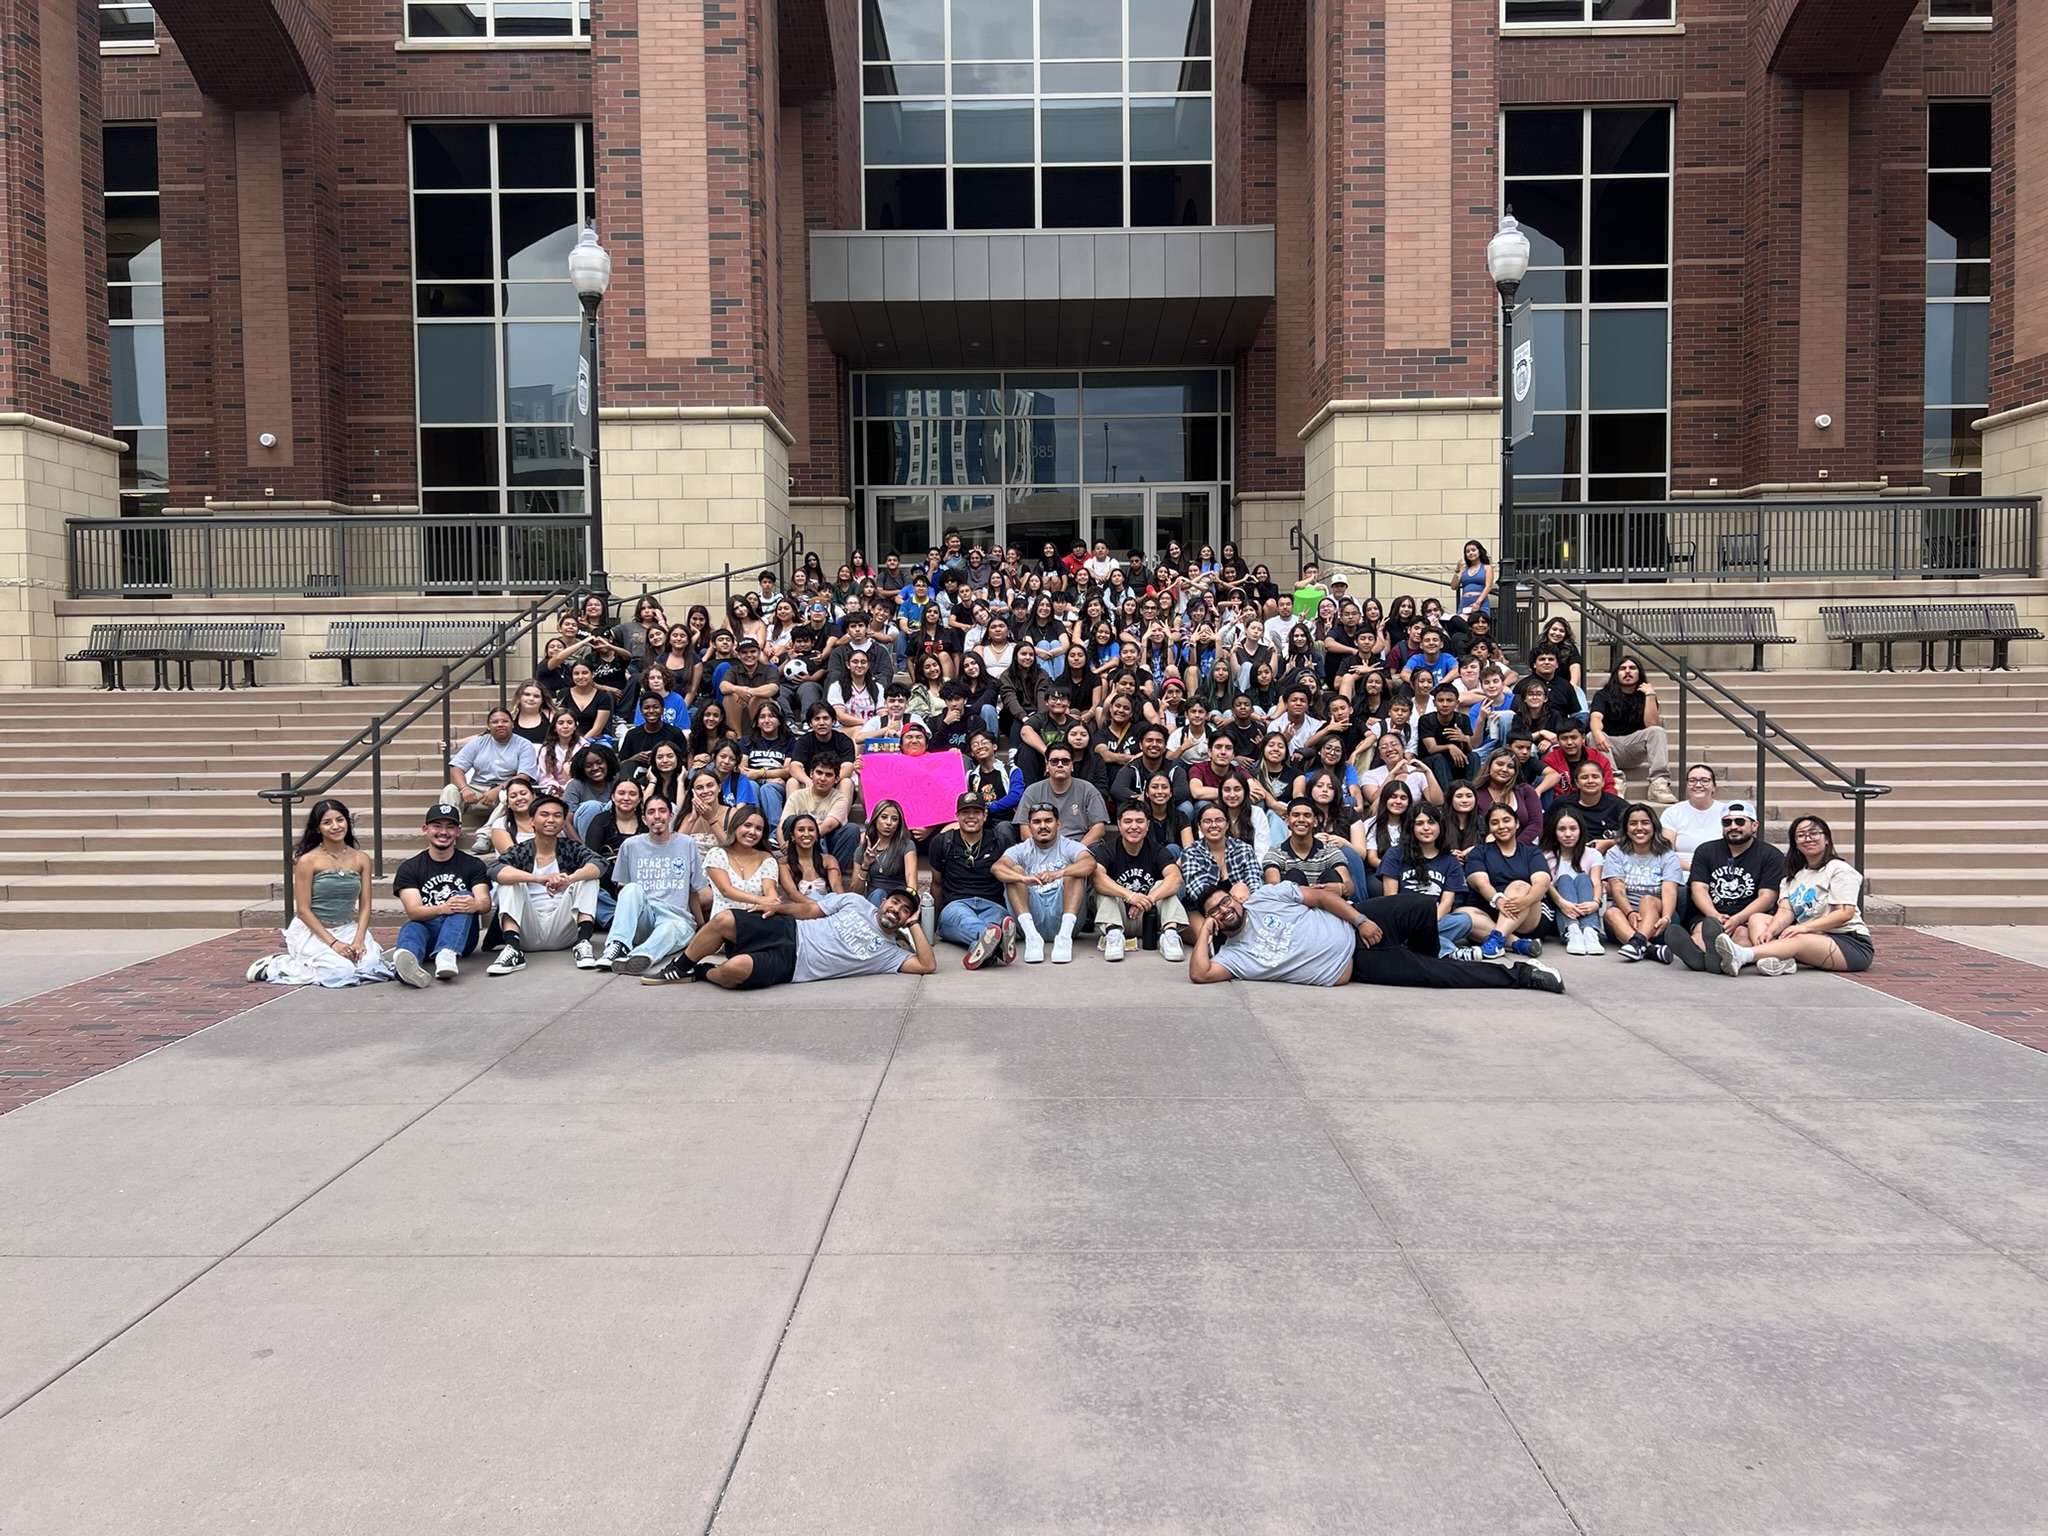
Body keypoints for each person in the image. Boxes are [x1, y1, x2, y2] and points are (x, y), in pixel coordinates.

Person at [1188, 884, 1564, 992]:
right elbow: (1200, 974)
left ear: (1233, 898)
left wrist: (1362, 918)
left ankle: (1433, 956)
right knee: (1436, 978)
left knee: (1420, 906)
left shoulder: (1265, 896)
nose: (1223, 911)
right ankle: (1522, 975)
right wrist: (1205, 931)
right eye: (1215, 913)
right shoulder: (1235, 957)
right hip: (1357, 963)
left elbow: (1320, 896)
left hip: (1358, 924)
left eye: (1224, 903)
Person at [651, 888, 937, 988]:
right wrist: (778, 907)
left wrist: (913, 926)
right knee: (725, 919)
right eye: (895, 903)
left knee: (733, 970)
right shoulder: (856, 902)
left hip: (793, 965)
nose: (896, 910)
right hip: (790, 929)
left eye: (904, 911)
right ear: (884, 900)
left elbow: (926, 965)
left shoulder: (889, 953)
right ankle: (680, 966)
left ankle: (702, 973)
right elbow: (811, 908)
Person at [249, 799, 396, 986]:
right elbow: (303, 911)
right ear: (318, 828)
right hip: (314, 931)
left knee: (369, 965)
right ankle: (278, 965)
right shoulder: (308, 861)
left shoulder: (361, 859)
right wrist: (333, 943)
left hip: (347, 928)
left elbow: (366, 906)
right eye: (327, 822)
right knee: (343, 971)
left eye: (340, 820)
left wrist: (358, 940)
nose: (335, 826)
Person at [1714, 815, 1876, 977]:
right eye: (1801, 835)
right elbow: (1785, 912)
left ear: (1826, 839)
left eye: (1813, 833)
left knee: (1797, 938)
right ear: (1795, 844)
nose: (1808, 838)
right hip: (1811, 937)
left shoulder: (1839, 869)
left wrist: (1802, 927)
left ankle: (1743, 955)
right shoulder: (1791, 876)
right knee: (1757, 918)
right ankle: (1779, 960)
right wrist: (1769, 932)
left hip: (1848, 943)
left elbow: (1844, 913)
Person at [485, 793, 605, 975]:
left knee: (588, 876)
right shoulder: (521, 850)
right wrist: (539, 878)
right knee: (509, 881)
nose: (551, 820)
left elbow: (600, 863)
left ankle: (583, 944)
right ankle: (512, 949)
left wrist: (568, 879)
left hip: (564, 927)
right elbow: (494, 869)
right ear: (532, 820)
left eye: (557, 816)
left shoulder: (570, 848)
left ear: (564, 822)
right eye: (544, 815)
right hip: (528, 927)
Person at [1663, 798, 1785, 972]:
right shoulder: (1705, 851)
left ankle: (1709, 959)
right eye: (1727, 822)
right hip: (1710, 913)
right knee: (1701, 931)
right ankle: (1707, 958)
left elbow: (1767, 897)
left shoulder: (1771, 855)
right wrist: (1714, 915)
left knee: (1742, 934)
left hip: (1748, 916)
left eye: (1740, 821)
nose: (1733, 826)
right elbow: (1699, 888)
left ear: (1755, 825)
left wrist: (1737, 919)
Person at [600, 792, 713, 974]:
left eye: (662, 811)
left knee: (669, 928)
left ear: (670, 816)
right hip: (645, 918)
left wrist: (701, 926)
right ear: (644, 819)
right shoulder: (630, 845)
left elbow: (693, 890)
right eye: (651, 812)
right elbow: (625, 892)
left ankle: (637, 957)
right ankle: (616, 945)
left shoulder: (686, 844)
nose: (657, 816)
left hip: (676, 919)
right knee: (631, 888)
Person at [389, 801, 493, 986]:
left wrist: (475, 904)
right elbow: (414, 911)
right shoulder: (410, 868)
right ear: (425, 829)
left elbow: (484, 902)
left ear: (458, 831)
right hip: (428, 930)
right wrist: (445, 907)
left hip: (463, 937)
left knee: (463, 895)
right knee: (411, 927)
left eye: (450, 827)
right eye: (437, 826)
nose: (443, 832)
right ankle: (407, 966)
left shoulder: (473, 865)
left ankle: (447, 954)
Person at [1377, 802, 1488, 958]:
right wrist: (1415, 922)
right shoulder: (1395, 855)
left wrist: (1427, 923)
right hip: (1403, 919)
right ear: (1411, 828)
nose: (1426, 828)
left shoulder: (1450, 862)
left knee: (1464, 920)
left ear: (1440, 826)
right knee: (1410, 933)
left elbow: (1447, 903)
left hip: (1434, 919)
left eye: (1431, 822)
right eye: (1419, 823)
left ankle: (1412, 945)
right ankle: (1451, 953)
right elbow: (1390, 898)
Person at [928, 794, 1022, 970]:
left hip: (992, 904)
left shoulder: (1000, 840)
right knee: (969, 922)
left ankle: (983, 947)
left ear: (985, 815)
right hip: (956, 905)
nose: (971, 816)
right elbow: (936, 883)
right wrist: (934, 923)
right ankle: (999, 941)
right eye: (965, 812)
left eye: (976, 811)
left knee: (994, 924)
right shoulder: (941, 842)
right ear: (957, 816)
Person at [994, 805, 1096, 964]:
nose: (1042, 826)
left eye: (1048, 820)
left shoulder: (1068, 845)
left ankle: (1064, 937)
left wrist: (1057, 873)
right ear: (1029, 827)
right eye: (1036, 822)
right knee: (1015, 871)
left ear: (1058, 824)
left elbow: (1090, 864)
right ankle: (1032, 938)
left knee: (1074, 872)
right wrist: (1023, 879)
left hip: (1065, 916)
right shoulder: (1021, 849)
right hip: (1030, 917)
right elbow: (997, 868)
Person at [1090, 801, 1189, 962]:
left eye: (1140, 821)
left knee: (1163, 885)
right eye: (1128, 821)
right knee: (1104, 889)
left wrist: (1149, 898)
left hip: (1148, 918)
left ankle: (1170, 935)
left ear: (1148, 825)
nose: (1134, 826)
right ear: (1119, 825)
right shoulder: (1108, 850)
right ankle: (1113, 936)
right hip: (1117, 916)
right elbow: (1097, 878)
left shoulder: (1157, 850)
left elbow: (1175, 878)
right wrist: (1130, 896)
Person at [1463, 802, 1550, 959]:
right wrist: (1498, 900)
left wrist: (1524, 901)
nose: (1501, 826)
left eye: (1506, 820)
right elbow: (1481, 883)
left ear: (1516, 823)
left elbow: (1541, 883)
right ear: (1489, 828)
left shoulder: (1532, 852)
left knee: (1519, 886)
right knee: (1462, 914)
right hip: (1491, 914)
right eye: (1495, 823)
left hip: (1526, 915)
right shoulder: (1479, 852)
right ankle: (1518, 944)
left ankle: (1496, 939)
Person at [447, 708, 542, 848]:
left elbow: (524, 776)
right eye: (495, 722)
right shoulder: (478, 742)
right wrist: (465, 788)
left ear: (512, 724)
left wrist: (498, 789)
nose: (500, 724)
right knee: (450, 789)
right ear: (488, 725)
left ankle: (485, 836)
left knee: (511, 794)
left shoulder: (523, 744)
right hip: (477, 791)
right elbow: (457, 768)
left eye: (505, 721)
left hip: (505, 790)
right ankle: (449, 833)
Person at [1588, 655, 1675, 805]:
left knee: (1657, 731)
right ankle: (1614, 781)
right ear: (1616, 673)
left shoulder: (1645, 696)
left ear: (1639, 672)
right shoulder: (1603, 695)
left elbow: (1651, 723)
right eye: (1622, 669)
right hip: (1609, 747)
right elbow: (1596, 718)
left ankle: (1658, 784)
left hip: (1634, 747)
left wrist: (1650, 694)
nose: (1627, 672)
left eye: (1632, 668)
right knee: (1592, 734)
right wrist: (1597, 733)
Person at [1603, 804, 1682, 963]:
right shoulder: (1616, 853)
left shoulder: (1667, 855)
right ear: (1625, 828)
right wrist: (1630, 913)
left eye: (1645, 823)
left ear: (1654, 826)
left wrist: (1666, 918)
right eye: (1633, 823)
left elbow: (1669, 891)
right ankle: (1648, 948)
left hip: (1659, 918)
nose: (1639, 828)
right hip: (1626, 919)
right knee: (1610, 913)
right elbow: (1617, 888)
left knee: (1647, 899)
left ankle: (1638, 943)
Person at [1013, 744, 1110, 847]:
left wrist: (1076, 851)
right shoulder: (1032, 791)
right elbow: (1024, 831)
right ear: (1047, 765)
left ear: (1072, 766)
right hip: (1042, 848)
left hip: (1079, 846)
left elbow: (1098, 829)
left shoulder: (1088, 789)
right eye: (1054, 761)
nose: (1060, 765)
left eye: (1065, 761)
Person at [1539, 804, 1605, 955]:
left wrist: (1596, 902)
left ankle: (1589, 932)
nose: (1568, 834)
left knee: (1582, 878)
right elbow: (1546, 884)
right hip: (1558, 908)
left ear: (1581, 830)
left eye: (1573, 829)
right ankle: (1573, 931)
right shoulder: (1546, 856)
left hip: (1587, 906)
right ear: (1554, 832)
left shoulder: (1593, 854)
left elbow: (1596, 882)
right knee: (1564, 879)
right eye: (1562, 829)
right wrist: (1562, 903)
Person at [781, 752, 860, 868]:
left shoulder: (840, 798)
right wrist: (783, 844)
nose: (822, 778)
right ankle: (797, 867)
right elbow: (781, 824)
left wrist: (806, 835)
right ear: (811, 773)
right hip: (798, 846)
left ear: (836, 778)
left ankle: (831, 871)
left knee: (852, 830)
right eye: (819, 773)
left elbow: (827, 826)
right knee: (790, 820)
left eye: (828, 775)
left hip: (826, 843)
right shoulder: (797, 795)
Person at [1263, 798, 1354, 897]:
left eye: (1307, 815)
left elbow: (1349, 887)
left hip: (1328, 908)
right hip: (1293, 909)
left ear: (1315, 821)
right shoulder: (1275, 853)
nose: (1301, 820)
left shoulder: (1330, 851)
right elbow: (1273, 888)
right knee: (1293, 876)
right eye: (1296, 815)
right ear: (1287, 821)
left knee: (1331, 874)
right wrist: (1311, 892)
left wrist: (1340, 888)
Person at [705, 805, 781, 918]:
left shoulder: (766, 859)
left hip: (755, 921)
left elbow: (769, 889)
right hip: (722, 923)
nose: (752, 832)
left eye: (759, 829)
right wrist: (758, 899)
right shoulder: (717, 854)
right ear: (735, 825)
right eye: (747, 825)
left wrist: (773, 902)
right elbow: (726, 890)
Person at [1659, 764, 1729, 874]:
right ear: (1687, 785)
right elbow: (1666, 852)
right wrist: (1694, 869)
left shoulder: (1726, 813)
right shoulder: (1672, 813)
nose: (1698, 785)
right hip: (1679, 871)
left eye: (1705, 780)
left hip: (1717, 872)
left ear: (1714, 786)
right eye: (1692, 781)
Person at [849, 799, 917, 910]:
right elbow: (855, 892)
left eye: (894, 819)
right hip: (874, 901)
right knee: (878, 894)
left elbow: (912, 880)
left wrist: (910, 902)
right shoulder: (863, 850)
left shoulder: (907, 845)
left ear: (899, 823)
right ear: (875, 820)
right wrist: (865, 866)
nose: (889, 823)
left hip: (898, 900)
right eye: (884, 817)